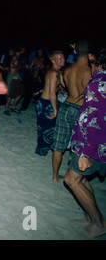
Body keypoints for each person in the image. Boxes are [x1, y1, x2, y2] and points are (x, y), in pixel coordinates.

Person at [64, 47, 106, 238]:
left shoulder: (99, 82)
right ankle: (90, 217)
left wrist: (85, 152)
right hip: (92, 142)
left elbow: (95, 120)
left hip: (91, 144)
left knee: (71, 179)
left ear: (93, 57)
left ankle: (98, 222)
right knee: (81, 178)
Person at [51, 40, 91, 181]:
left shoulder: (68, 70)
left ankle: (55, 176)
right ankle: (75, 176)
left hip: (66, 105)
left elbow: (64, 86)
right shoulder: (89, 72)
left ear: (75, 52)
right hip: (80, 108)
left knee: (59, 143)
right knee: (79, 144)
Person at [35, 50, 65, 157]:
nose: (63, 60)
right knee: (47, 128)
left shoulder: (53, 71)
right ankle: (42, 150)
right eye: (60, 59)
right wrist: (55, 109)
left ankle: (41, 149)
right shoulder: (54, 73)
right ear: (53, 61)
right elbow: (52, 93)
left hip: (43, 101)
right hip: (47, 102)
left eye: (63, 58)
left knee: (43, 126)